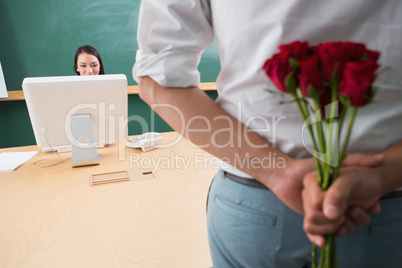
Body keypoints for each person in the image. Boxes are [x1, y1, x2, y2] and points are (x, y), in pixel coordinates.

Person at [133, 1, 402, 267]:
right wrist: (384, 172)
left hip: (255, 204)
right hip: (385, 203)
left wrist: (278, 172)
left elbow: (157, 79)